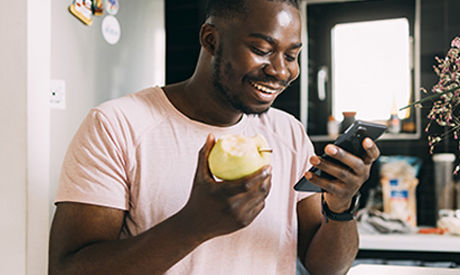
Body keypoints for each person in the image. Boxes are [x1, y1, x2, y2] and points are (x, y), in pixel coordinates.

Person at [49, 0, 380, 274]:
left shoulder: (288, 133)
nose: (281, 71)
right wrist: (193, 225)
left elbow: (326, 268)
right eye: (262, 49)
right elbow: (68, 268)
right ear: (211, 40)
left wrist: (340, 207)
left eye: (291, 56)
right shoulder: (117, 125)